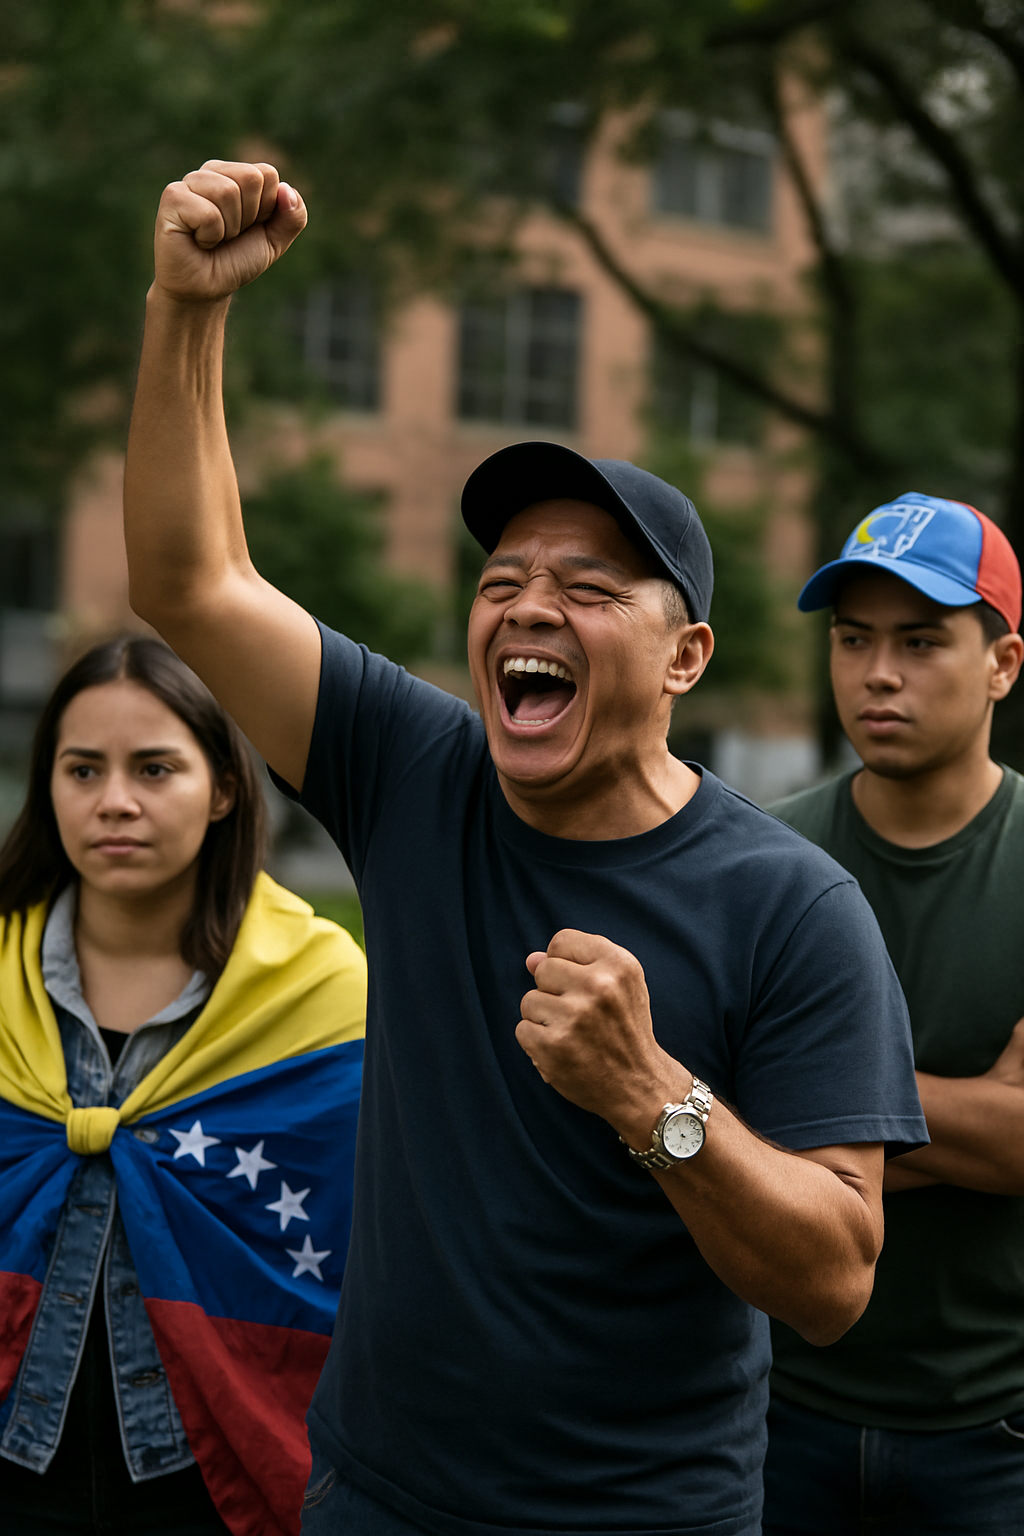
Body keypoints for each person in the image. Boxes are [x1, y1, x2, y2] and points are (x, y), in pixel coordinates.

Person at [122, 159, 927, 1536]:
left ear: (687, 657)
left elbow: (837, 1277)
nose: (526, 606)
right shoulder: (419, 771)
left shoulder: (794, 905)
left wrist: (651, 1096)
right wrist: (186, 312)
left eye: (586, 588)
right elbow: (192, 583)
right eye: (501, 583)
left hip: (639, 1517)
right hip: (376, 1496)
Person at [0, 636, 367, 1536]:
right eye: (82, 770)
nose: (114, 801)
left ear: (226, 787)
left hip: (216, 1481)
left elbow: (379, 1247)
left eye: (155, 769)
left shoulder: (324, 996)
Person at [763, 492, 1024, 1536]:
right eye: (853, 639)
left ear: (1003, 664)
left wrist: (812, 1135)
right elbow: (701, 1129)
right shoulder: (759, 860)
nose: (877, 673)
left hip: (994, 1430)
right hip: (780, 1414)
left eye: (921, 641)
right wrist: (968, 1124)